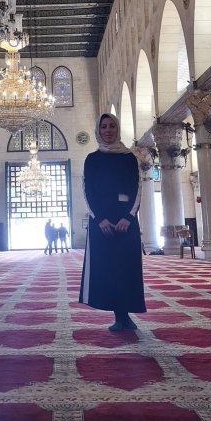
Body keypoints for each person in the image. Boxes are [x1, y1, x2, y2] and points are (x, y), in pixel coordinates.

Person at [79, 112, 147, 332]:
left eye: (111, 126)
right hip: (102, 224)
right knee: (108, 270)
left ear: (117, 129)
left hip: (126, 222)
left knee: (127, 269)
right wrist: (100, 219)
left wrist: (129, 217)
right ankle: (119, 316)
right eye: (104, 127)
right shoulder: (92, 159)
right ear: (98, 131)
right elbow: (88, 191)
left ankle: (125, 315)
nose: (108, 130)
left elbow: (137, 188)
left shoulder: (129, 158)